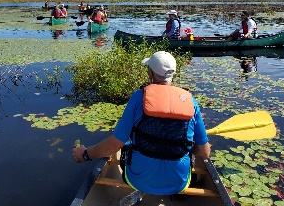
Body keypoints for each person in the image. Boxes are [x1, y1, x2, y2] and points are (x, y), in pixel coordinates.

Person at [72, 51, 210, 196]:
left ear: (151, 73)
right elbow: (205, 153)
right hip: (178, 183)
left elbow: (114, 145)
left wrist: (85, 154)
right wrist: (189, 147)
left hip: (137, 180)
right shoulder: (191, 101)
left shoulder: (139, 97)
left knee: (128, 145)